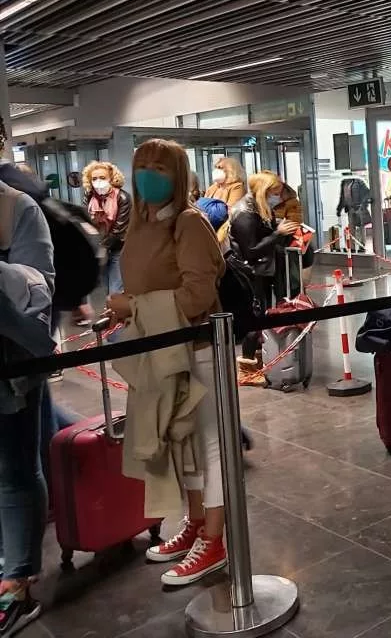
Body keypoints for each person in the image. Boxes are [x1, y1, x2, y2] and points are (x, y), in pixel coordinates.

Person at [104, 138, 227, 586]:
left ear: (177, 174)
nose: (149, 175)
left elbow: (197, 295)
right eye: (143, 165)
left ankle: (215, 539)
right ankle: (196, 523)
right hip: (160, 349)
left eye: (160, 167)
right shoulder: (141, 224)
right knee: (182, 441)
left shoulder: (189, 223)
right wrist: (129, 309)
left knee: (210, 443)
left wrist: (134, 306)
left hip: (197, 349)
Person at [0, 175, 56, 634]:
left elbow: (39, 292)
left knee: (15, 469)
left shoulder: (16, 209)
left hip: (11, 369)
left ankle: (16, 583)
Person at [228, 171, 300, 369]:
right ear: (263, 191)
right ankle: (249, 364)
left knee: (263, 315)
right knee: (256, 317)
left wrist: (279, 230)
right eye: (274, 192)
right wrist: (278, 233)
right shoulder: (244, 213)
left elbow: (262, 235)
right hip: (250, 272)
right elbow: (250, 250)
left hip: (262, 270)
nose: (277, 197)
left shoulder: (260, 208)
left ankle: (259, 360)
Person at [81, 161, 131, 296]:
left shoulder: (123, 197)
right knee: (102, 290)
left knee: (115, 290)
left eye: (102, 178)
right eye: (94, 179)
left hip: (117, 248)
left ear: (111, 179)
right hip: (97, 248)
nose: (98, 182)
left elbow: (119, 229)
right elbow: (85, 221)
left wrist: (102, 247)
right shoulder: (89, 196)